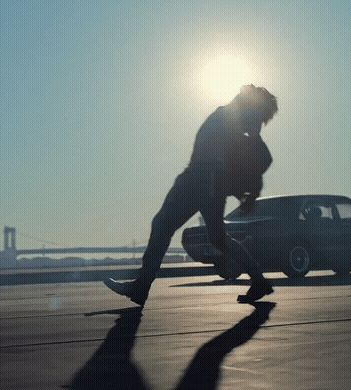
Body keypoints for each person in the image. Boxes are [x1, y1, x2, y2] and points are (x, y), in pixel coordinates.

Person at [105, 85, 278, 306]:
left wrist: (243, 185)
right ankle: (259, 280)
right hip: (209, 183)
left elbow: (258, 157)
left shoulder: (234, 122)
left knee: (162, 225)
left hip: (199, 179)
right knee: (217, 238)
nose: (243, 90)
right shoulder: (231, 120)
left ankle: (141, 287)